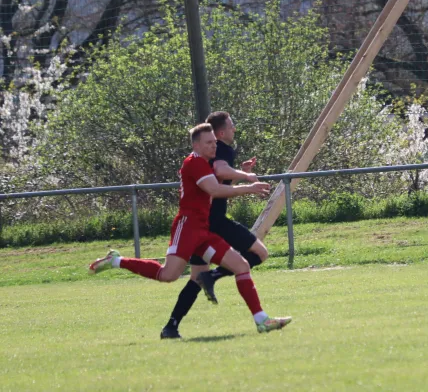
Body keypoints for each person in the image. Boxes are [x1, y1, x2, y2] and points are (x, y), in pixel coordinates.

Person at [88, 123, 291, 334]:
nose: (214, 146)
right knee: (168, 275)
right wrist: (249, 187)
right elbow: (214, 189)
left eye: (214, 141)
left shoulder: (205, 163)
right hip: (187, 227)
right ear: (196, 145)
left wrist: (243, 174)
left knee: (241, 265)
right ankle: (116, 261)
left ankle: (262, 320)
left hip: (203, 230)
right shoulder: (194, 163)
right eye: (209, 142)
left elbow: (219, 180)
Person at [160, 111, 271, 339]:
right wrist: (248, 179)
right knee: (259, 253)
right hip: (215, 222)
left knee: (196, 277)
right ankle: (216, 277)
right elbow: (219, 174)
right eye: (231, 126)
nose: (234, 130)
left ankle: (171, 326)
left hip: (204, 224)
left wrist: (240, 173)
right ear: (220, 132)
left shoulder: (212, 151)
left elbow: (218, 180)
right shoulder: (220, 148)